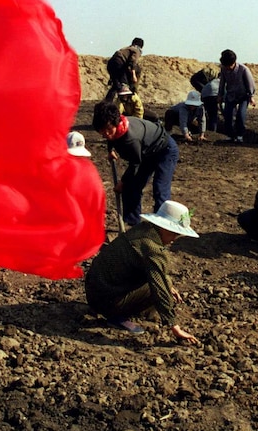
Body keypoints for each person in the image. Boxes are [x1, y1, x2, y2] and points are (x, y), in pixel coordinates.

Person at [84, 200, 199, 341]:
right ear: (164, 228)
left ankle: (133, 309)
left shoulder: (142, 229)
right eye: (174, 233)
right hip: (107, 300)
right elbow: (159, 288)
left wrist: (167, 283)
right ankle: (117, 317)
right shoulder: (152, 248)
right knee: (158, 289)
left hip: (94, 290)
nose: (174, 239)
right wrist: (174, 326)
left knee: (163, 282)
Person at [92, 100, 179, 226]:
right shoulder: (115, 128)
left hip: (165, 150)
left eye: (108, 130)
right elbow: (111, 137)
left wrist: (122, 182)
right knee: (131, 188)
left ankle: (162, 228)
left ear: (116, 123)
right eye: (102, 132)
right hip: (147, 151)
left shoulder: (130, 138)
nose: (106, 134)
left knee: (160, 188)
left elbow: (135, 164)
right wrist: (110, 150)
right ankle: (132, 224)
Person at [217, 49, 256, 142]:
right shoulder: (223, 69)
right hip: (230, 95)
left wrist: (251, 96)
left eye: (230, 66)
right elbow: (222, 83)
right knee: (228, 115)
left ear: (234, 62)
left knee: (240, 115)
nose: (228, 68)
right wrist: (220, 95)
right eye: (226, 66)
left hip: (243, 96)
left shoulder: (244, 69)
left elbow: (250, 83)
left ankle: (240, 135)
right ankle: (230, 135)